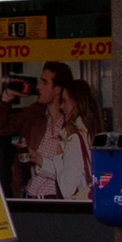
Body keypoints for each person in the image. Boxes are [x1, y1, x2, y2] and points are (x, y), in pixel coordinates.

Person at [24, 60, 103, 202]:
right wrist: (39, 159)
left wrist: (60, 155)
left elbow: (67, 188)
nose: (62, 107)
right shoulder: (91, 132)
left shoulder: (75, 138)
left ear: (76, 103)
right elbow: (70, 172)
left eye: (65, 101)